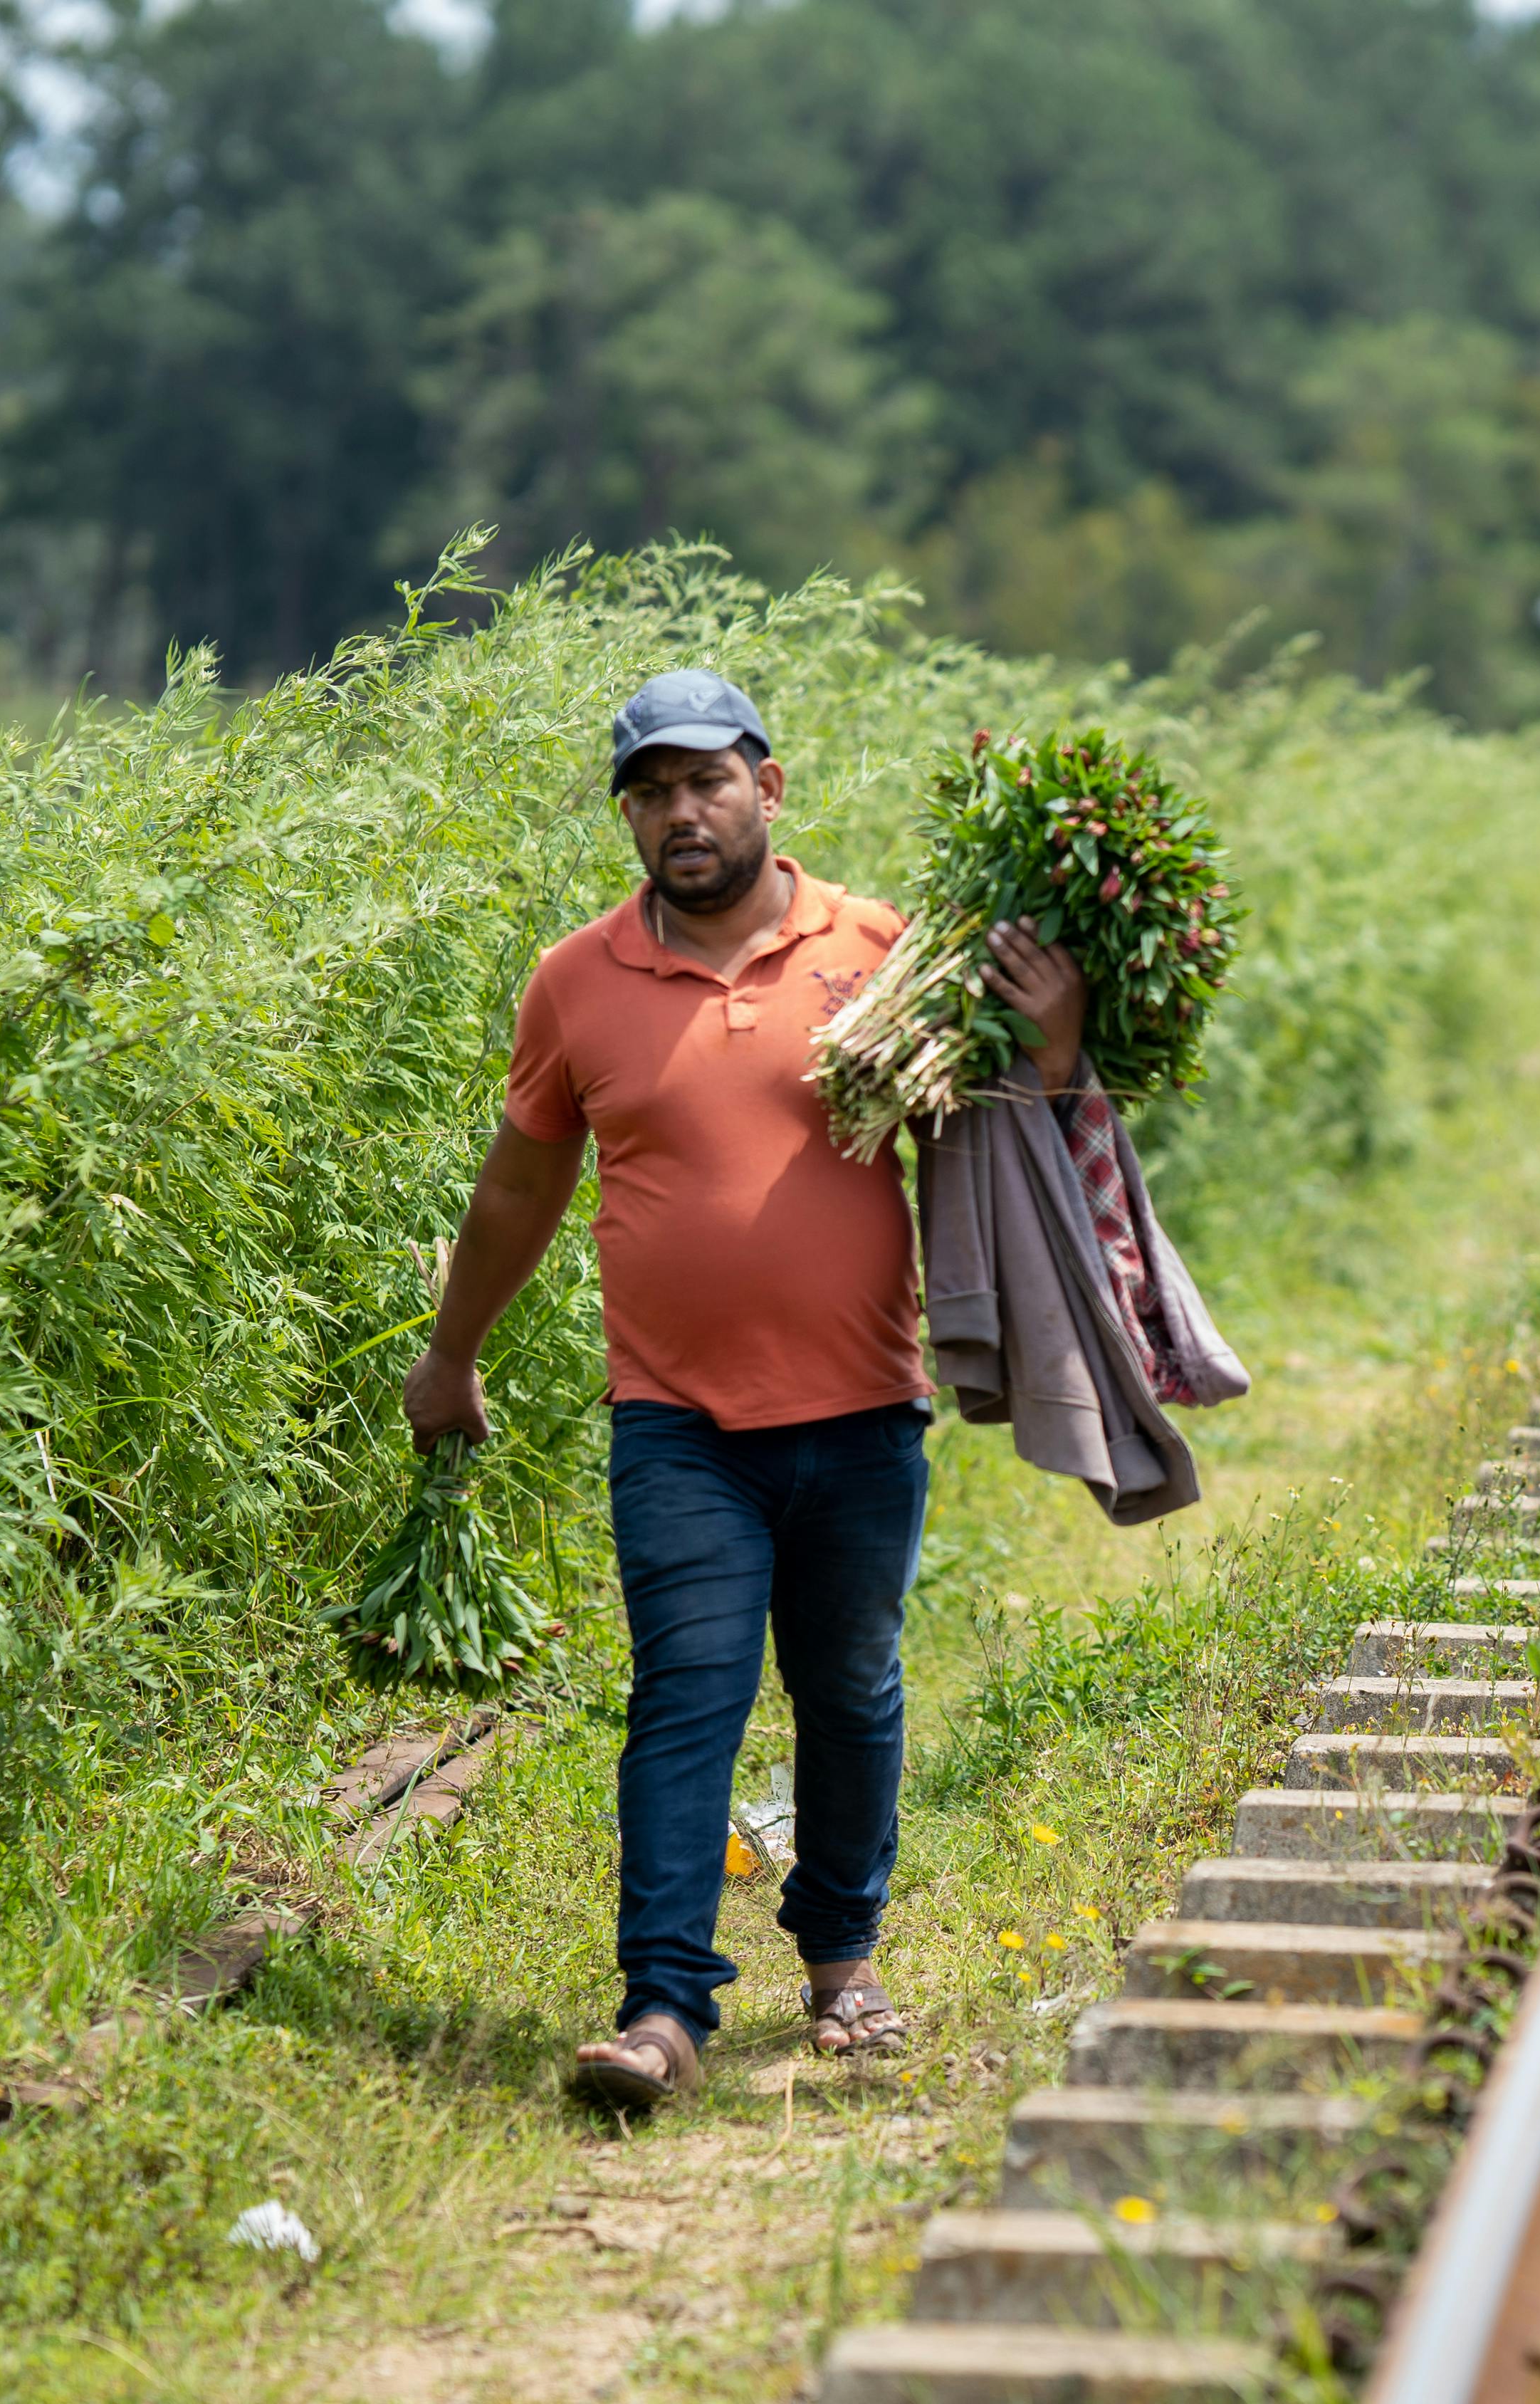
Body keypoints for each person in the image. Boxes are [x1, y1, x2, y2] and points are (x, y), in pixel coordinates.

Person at [401, 667, 1087, 2108]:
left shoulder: (884, 950)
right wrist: (452, 1347)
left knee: (849, 1686)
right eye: (649, 790)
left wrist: (1059, 1041)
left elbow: (1008, 1144)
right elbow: (525, 1180)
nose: (679, 810)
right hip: (677, 1421)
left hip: (860, 1405)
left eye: (706, 779)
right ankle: (662, 2008)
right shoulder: (576, 980)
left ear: (768, 788)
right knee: (686, 1694)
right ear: (629, 816)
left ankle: (842, 1964)